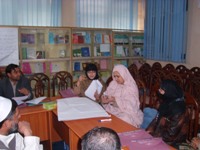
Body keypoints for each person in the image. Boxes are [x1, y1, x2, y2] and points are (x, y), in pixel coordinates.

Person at [146, 79, 189, 147]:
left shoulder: (179, 110)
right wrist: (148, 131)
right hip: (159, 136)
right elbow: (156, 119)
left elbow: (170, 135)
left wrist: (151, 135)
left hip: (173, 143)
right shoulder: (167, 103)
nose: (159, 91)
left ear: (170, 91)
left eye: (162, 90)